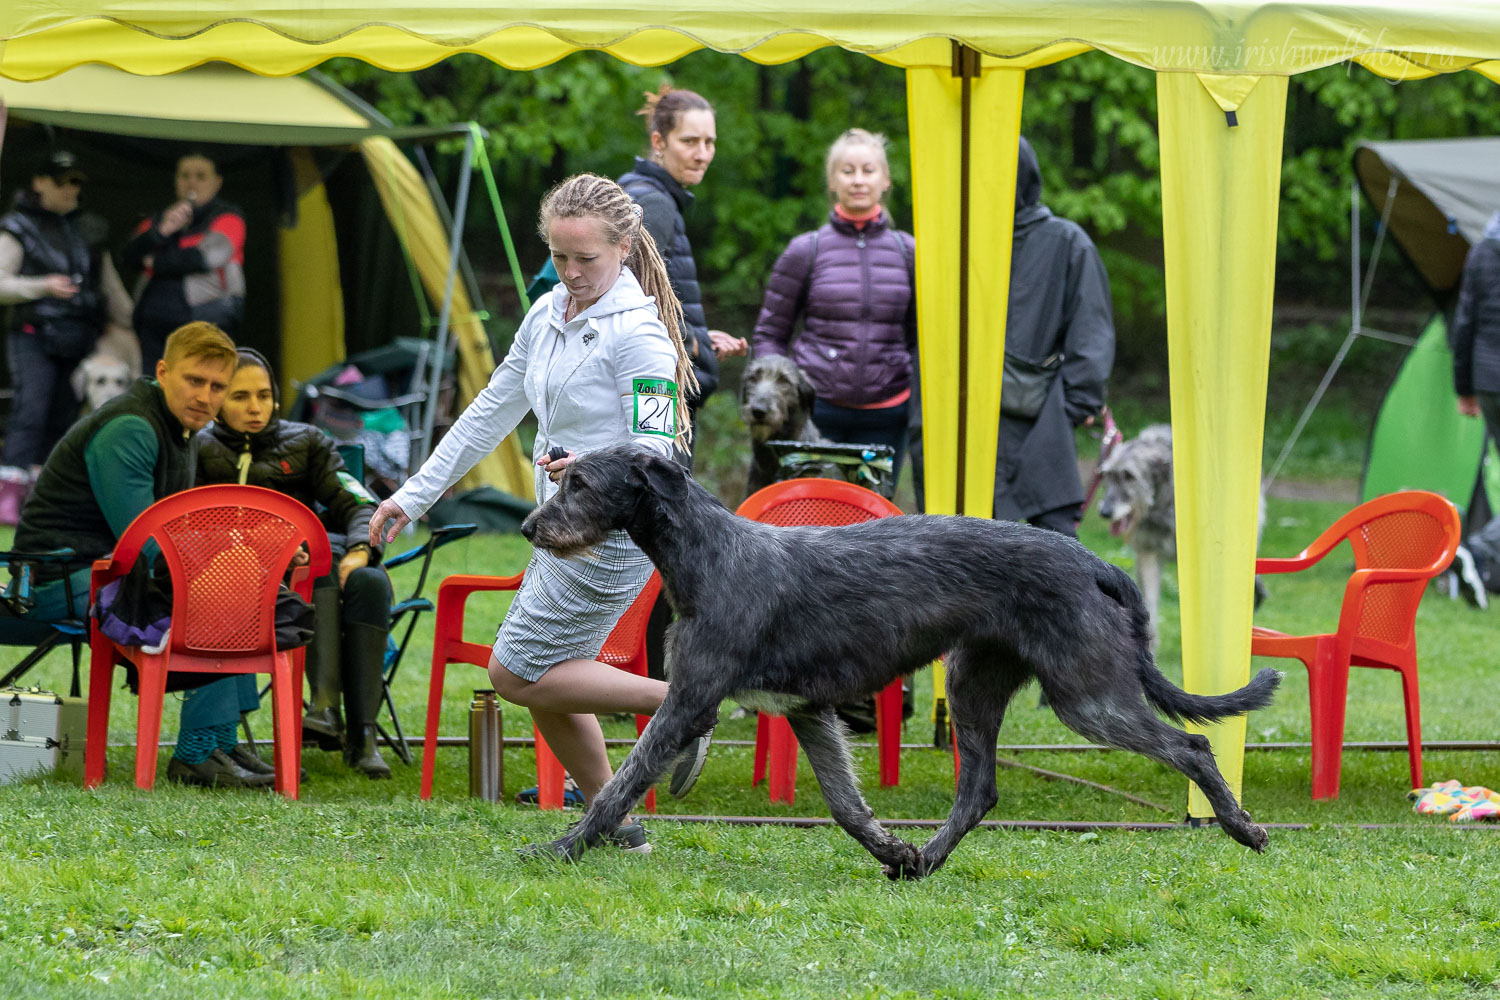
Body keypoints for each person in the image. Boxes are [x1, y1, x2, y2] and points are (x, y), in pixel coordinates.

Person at [369, 174, 713, 852]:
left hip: (612, 535)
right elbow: (488, 412)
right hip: (560, 525)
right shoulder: (548, 312)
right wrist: (413, 495)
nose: (572, 271)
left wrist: (588, 461)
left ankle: (684, 707)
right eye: (559, 256)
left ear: (623, 248)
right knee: (554, 683)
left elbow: (658, 454)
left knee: (516, 673)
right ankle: (617, 825)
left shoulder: (638, 335)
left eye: (586, 258)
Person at [8, 323, 252, 781]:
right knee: (215, 603)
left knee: (244, 600)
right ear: (162, 372)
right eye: (194, 381)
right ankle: (198, 754)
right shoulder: (131, 427)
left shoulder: (180, 429)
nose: (205, 395)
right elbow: (147, 539)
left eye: (218, 386)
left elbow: (174, 537)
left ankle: (220, 742)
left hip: (109, 572)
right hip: (58, 578)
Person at [185, 348, 395, 781]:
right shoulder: (198, 448)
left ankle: (362, 733)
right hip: (238, 580)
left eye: (264, 395)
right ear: (219, 398)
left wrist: (361, 548)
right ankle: (322, 708)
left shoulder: (307, 442)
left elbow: (358, 502)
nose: (255, 407)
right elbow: (189, 524)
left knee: (369, 581)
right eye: (241, 396)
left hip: (314, 564)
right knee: (319, 564)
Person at [751, 128, 917, 483]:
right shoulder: (804, 250)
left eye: (868, 170)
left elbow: (923, 339)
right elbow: (769, 336)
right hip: (816, 411)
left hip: (888, 413)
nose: (858, 180)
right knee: (810, 517)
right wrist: (781, 393)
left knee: (874, 521)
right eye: (847, 170)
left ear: (885, 180)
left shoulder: (909, 252)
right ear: (832, 180)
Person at [0, 150, 136, 523]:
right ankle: (7, 498)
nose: (69, 189)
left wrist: (133, 325)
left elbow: (112, 289)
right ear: (39, 182)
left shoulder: (90, 228)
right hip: (35, 333)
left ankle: (45, 496)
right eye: (61, 181)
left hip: (80, 336)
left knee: (65, 417)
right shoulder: (18, 226)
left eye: (75, 181)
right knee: (30, 411)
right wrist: (41, 286)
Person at [617, 83, 747, 456]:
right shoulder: (652, 203)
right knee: (660, 489)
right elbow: (626, 296)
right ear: (659, 141)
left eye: (710, 142)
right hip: (655, 385)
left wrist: (700, 339)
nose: (703, 154)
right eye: (690, 141)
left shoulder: (649, 196)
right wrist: (691, 345)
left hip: (655, 377)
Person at [123, 152, 246, 368]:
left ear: (217, 183)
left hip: (204, 322)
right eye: (185, 175)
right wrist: (161, 231)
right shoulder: (162, 218)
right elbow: (128, 256)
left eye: (200, 176)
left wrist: (156, 263)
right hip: (153, 326)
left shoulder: (228, 216)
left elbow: (205, 257)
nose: (192, 182)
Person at [1449, 209, 1500, 609]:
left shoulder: (1482, 250)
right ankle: (1476, 551)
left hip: (1488, 380)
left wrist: (1464, 387)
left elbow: (1464, 323)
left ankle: (1473, 558)